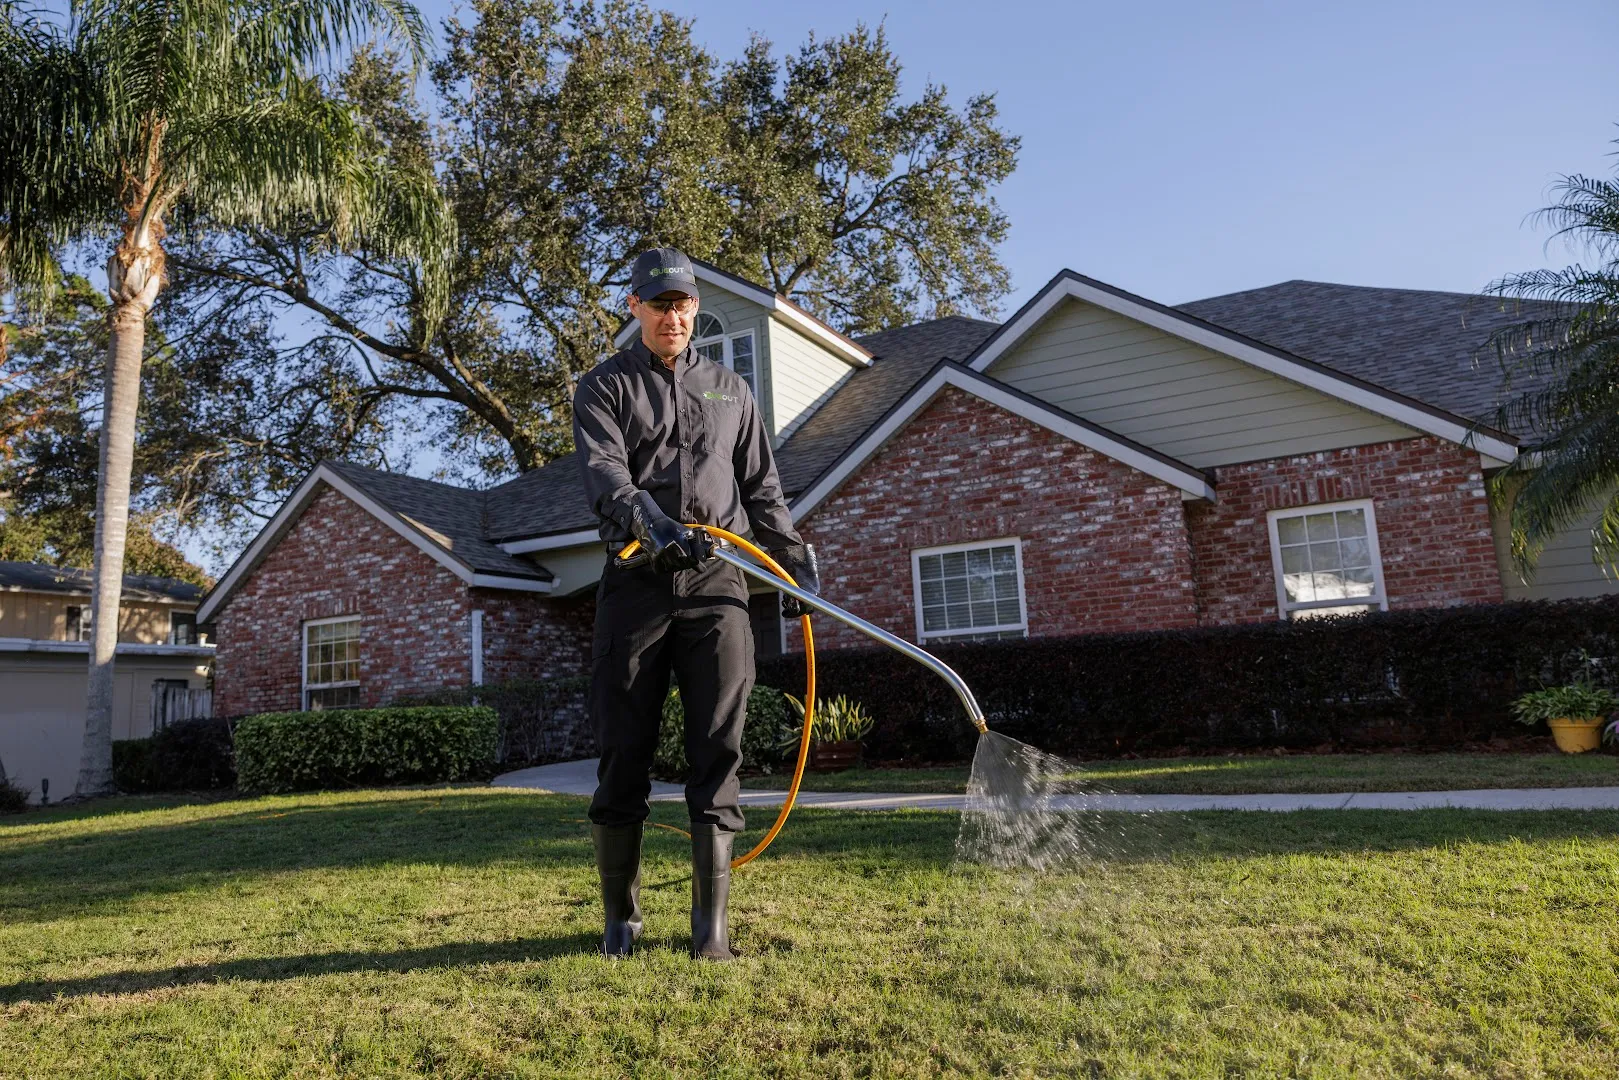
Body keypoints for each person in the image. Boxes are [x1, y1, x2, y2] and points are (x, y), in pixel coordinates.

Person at [572, 247, 820, 960]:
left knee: (718, 745)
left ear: (693, 309)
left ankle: (710, 930)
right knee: (624, 749)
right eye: (658, 304)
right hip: (636, 585)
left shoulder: (731, 391)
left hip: (719, 589)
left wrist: (793, 559)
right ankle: (622, 919)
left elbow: (762, 490)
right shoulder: (604, 387)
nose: (671, 315)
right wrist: (649, 521)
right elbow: (604, 473)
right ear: (634, 310)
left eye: (681, 304)